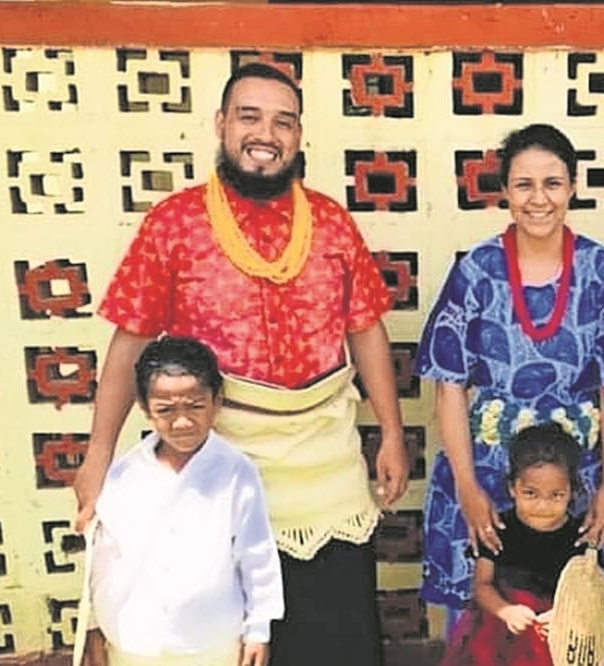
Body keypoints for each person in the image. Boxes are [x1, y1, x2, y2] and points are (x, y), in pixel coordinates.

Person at [72, 62, 409, 666]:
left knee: (335, 633)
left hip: (323, 459)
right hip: (213, 459)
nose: (266, 134)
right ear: (222, 124)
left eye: (283, 121)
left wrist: (389, 429)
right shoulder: (172, 223)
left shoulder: (331, 222)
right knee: (224, 633)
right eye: (249, 116)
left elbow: (365, 330)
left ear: (299, 135)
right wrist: (98, 456)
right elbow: (129, 342)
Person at [415, 123, 604, 626]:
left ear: (572, 186)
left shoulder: (602, 272)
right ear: (504, 191)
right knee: (485, 615)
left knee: (575, 618)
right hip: (489, 470)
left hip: (576, 476)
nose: (538, 199)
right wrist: (467, 488)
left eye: (552, 183)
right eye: (523, 184)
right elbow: (449, 386)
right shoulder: (476, 272)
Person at [79, 336, 284, 666]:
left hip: (212, 641)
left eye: (195, 406)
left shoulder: (236, 472)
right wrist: (93, 629)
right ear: (146, 409)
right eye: (165, 410)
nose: (182, 421)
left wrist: (258, 630)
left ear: (217, 401)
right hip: (134, 641)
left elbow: (256, 554)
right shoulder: (123, 476)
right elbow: (102, 561)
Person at [440, 423, 588, 666]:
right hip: (501, 636)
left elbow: (588, 594)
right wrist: (505, 611)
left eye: (556, 495)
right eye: (530, 493)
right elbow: (482, 585)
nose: (542, 506)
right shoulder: (498, 531)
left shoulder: (579, 537)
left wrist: (564, 618)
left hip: (558, 639)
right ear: (512, 488)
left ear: (572, 491)